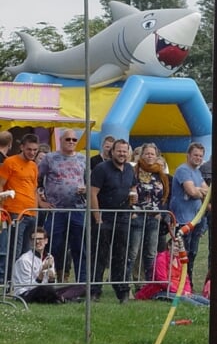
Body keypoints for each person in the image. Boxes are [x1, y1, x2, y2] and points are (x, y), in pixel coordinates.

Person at [37, 128, 88, 283]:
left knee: (80, 248)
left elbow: (90, 182)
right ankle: (46, 279)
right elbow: (36, 179)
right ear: (61, 140)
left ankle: (81, 284)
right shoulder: (50, 158)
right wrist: (41, 202)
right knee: (52, 246)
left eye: (74, 140)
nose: (71, 142)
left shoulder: (82, 159)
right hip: (56, 210)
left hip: (78, 209)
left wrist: (85, 189)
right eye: (68, 139)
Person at [90, 139, 137, 302]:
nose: (122, 154)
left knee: (121, 256)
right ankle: (94, 291)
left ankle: (122, 292)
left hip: (123, 218)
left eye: (125, 151)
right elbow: (92, 193)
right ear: (113, 152)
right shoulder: (101, 169)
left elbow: (133, 188)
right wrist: (97, 217)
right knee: (99, 256)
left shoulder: (130, 169)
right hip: (104, 218)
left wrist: (133, 198)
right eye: (119, 151)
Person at [0, 133, 43, 267]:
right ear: (22, 147)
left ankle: (20, 282)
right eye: (29, 149)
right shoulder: (10, 162)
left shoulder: (34, 166)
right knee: (15, 250)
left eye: (35, 150)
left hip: (31, 212)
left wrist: (36, 211)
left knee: (27, 251)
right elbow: (1, 184)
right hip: (14, 212)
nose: (32, 152)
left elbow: (34, 189)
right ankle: (10, 281)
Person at [10, 228, 85, 303]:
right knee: (44, 289)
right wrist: (41, 274)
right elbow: (27, 287)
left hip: (47, 291)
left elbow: (52, 286)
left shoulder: (49, 257)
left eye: (40, 239)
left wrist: (52, 279)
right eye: (34, 239)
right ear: (31, 242)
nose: (37, 242)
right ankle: (64, 299)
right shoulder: (24, 260)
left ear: (46, 241)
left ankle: (60, 299)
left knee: (80, 287)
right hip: (25, 293)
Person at [169, 142, 209, 278]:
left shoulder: (197, 172)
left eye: (200, 156)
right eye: (195, 155)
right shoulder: (183, 170)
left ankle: (188, 280)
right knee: (183, 252)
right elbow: (191, 191)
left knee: (193, 252)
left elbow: (208, 192)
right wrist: (198, 191)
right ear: (188, 155)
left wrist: (199, 191)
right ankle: (179, 279)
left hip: (195, 219)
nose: (198, 158)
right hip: (182, 219)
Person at [135, 233, 210, 306]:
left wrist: (187, 291)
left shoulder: (180, 260)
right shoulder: (161, 259)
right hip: (162, 291)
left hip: (180, 291)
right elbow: (163, 281)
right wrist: (181, 292)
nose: (177, 249)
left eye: (180, 247)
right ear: (169, 246)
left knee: (202, 299)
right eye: (175, 246)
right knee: (188, 301)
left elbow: (185, 279)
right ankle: (203, 308)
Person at [130, 142, 168, 282]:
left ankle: (149, 283)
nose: (149, 156)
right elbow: (129, 191)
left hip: (154, 217)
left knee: (151, 253)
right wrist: (131, 210)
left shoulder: (160, 174)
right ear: (142, 155)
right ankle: (128, 284)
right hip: (137, 215)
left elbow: (164, 195)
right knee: (133, 252)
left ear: (156, 156)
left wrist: (161, 212)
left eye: (152, 154)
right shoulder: (134, 171)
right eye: (147, 153)